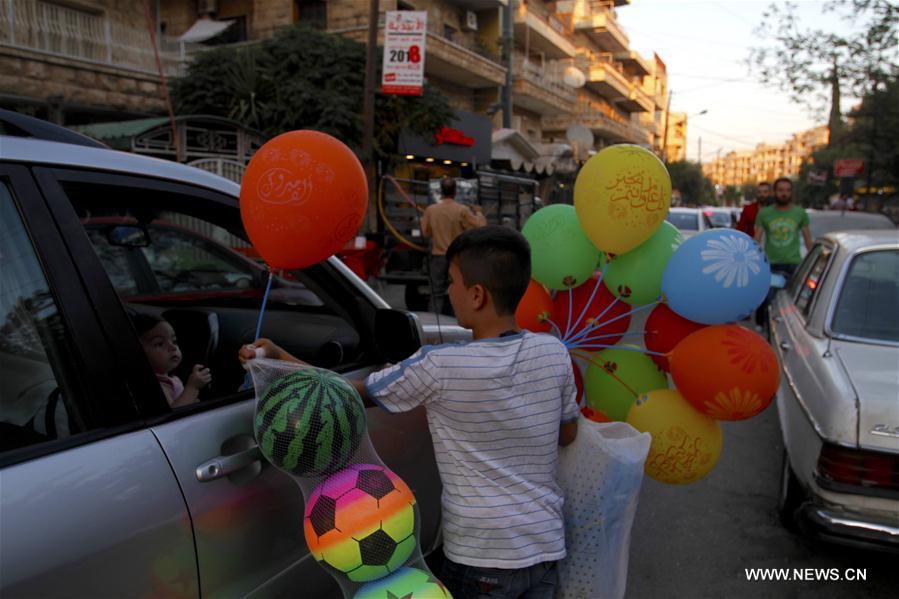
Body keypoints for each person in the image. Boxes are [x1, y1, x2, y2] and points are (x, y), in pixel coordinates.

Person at [240, 226, 579, 598]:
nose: (448, 291)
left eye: (452, 282)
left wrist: (278, 360)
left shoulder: (440, 366)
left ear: (477, 295)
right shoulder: (554, 353)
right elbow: (567, 434)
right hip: (545, 548)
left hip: (482, 555)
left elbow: (346, 394)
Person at [420, 178, 486, 315]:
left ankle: (433, 323)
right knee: (459, 291)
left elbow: (425, 233)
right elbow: (481, 227)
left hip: (437, 257)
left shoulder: (431, 210)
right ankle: (457, 322)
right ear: (455, 191)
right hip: (457, 259)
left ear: (441, 191)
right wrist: (479, 212)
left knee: (436, 293)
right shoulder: (462, 210)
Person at [754, 178, 813, 328]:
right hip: (772, 264)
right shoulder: (764, 214)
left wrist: (813, 262)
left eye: (787, 190)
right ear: (775, 192)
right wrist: (754, 261)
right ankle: (762, 325)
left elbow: (808, 240)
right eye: (780, 190)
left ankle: (790, 329)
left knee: (795, 303)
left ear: (792, 192)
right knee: (767, 298)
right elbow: (756, 240)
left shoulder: (800, 213)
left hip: (794, 265)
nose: (784, 194)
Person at [132, 313, 211, 408]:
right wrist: (193, 387)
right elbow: (173, 414)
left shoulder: (170, 380)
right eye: (159, 343)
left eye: (174, 341)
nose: (173, 347)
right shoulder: (156, 387)